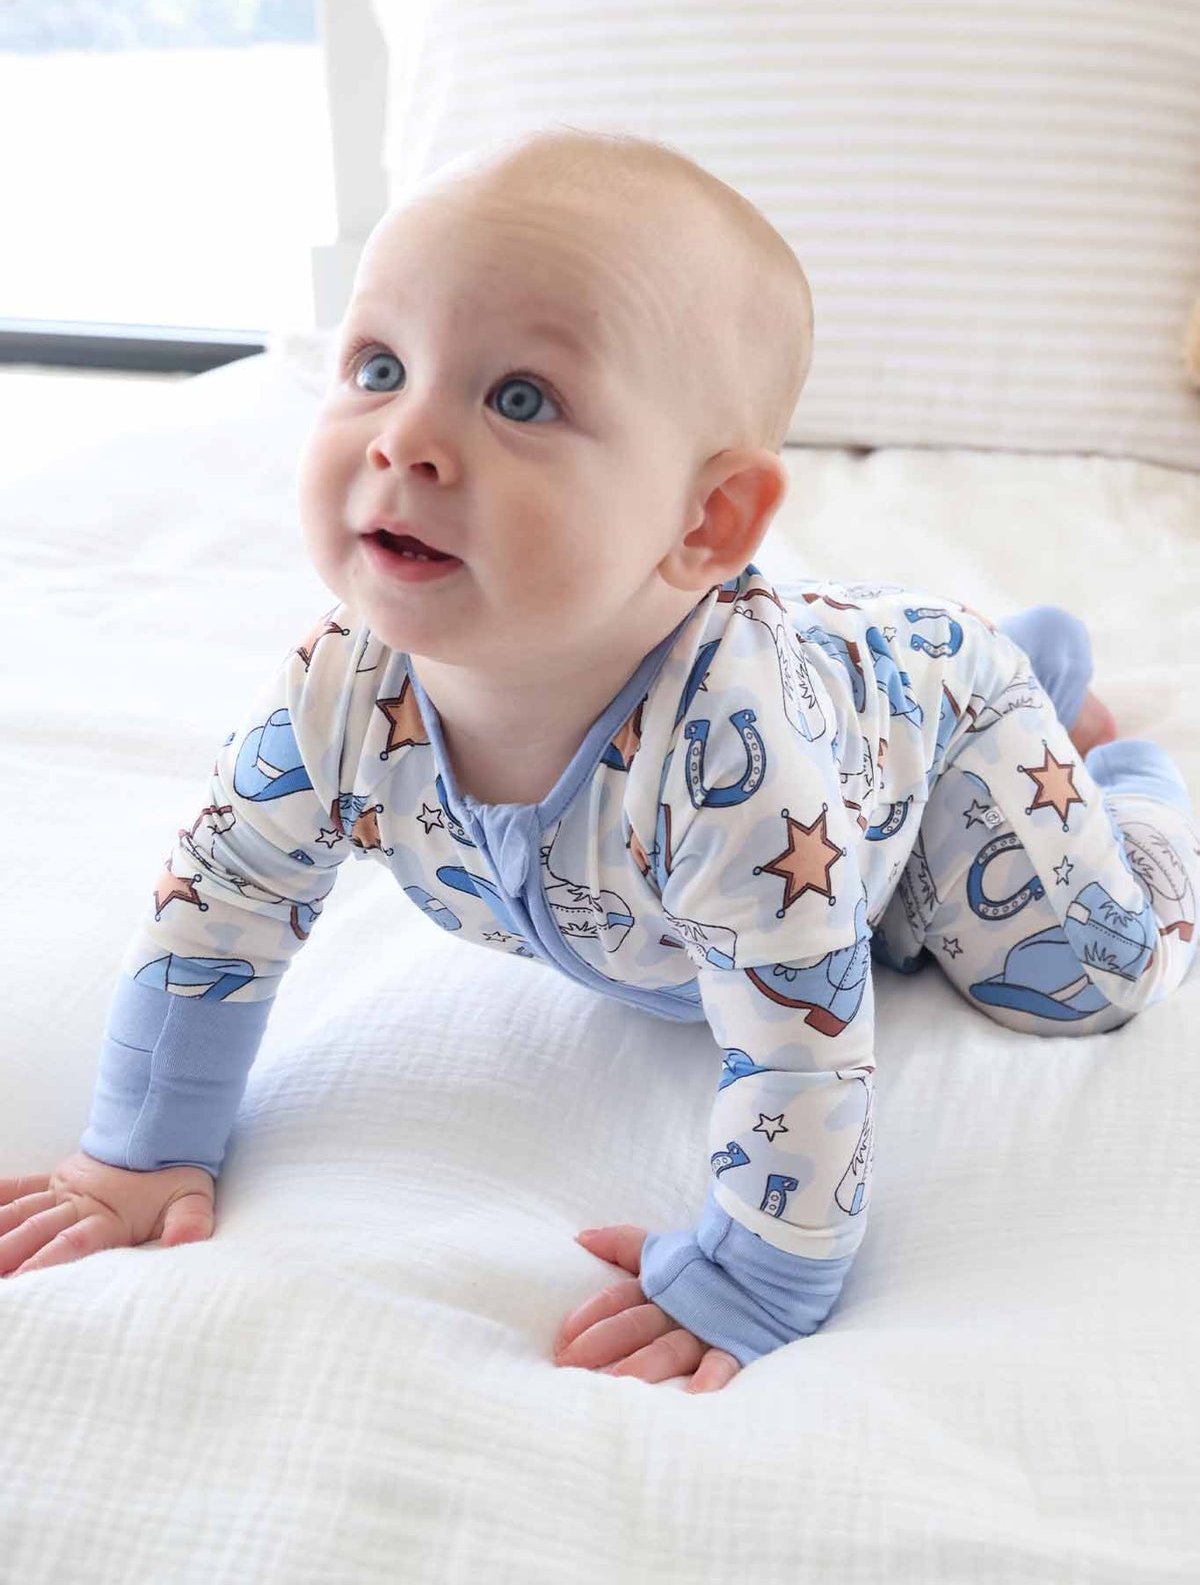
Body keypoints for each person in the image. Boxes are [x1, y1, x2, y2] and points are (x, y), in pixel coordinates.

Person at [2, 129, 1196, 1397]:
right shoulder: (339, 690)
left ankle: (1107, 770)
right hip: (848, 720)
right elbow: (220, 904)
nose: (405, 438)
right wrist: (140, 1153)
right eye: (379, 366)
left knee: (1083, 981)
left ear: (706, 521)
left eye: (520, 399)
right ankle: (1035, 663)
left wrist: (756, 1278)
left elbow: (802, 1049)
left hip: (937, 740)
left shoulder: (735, 765)